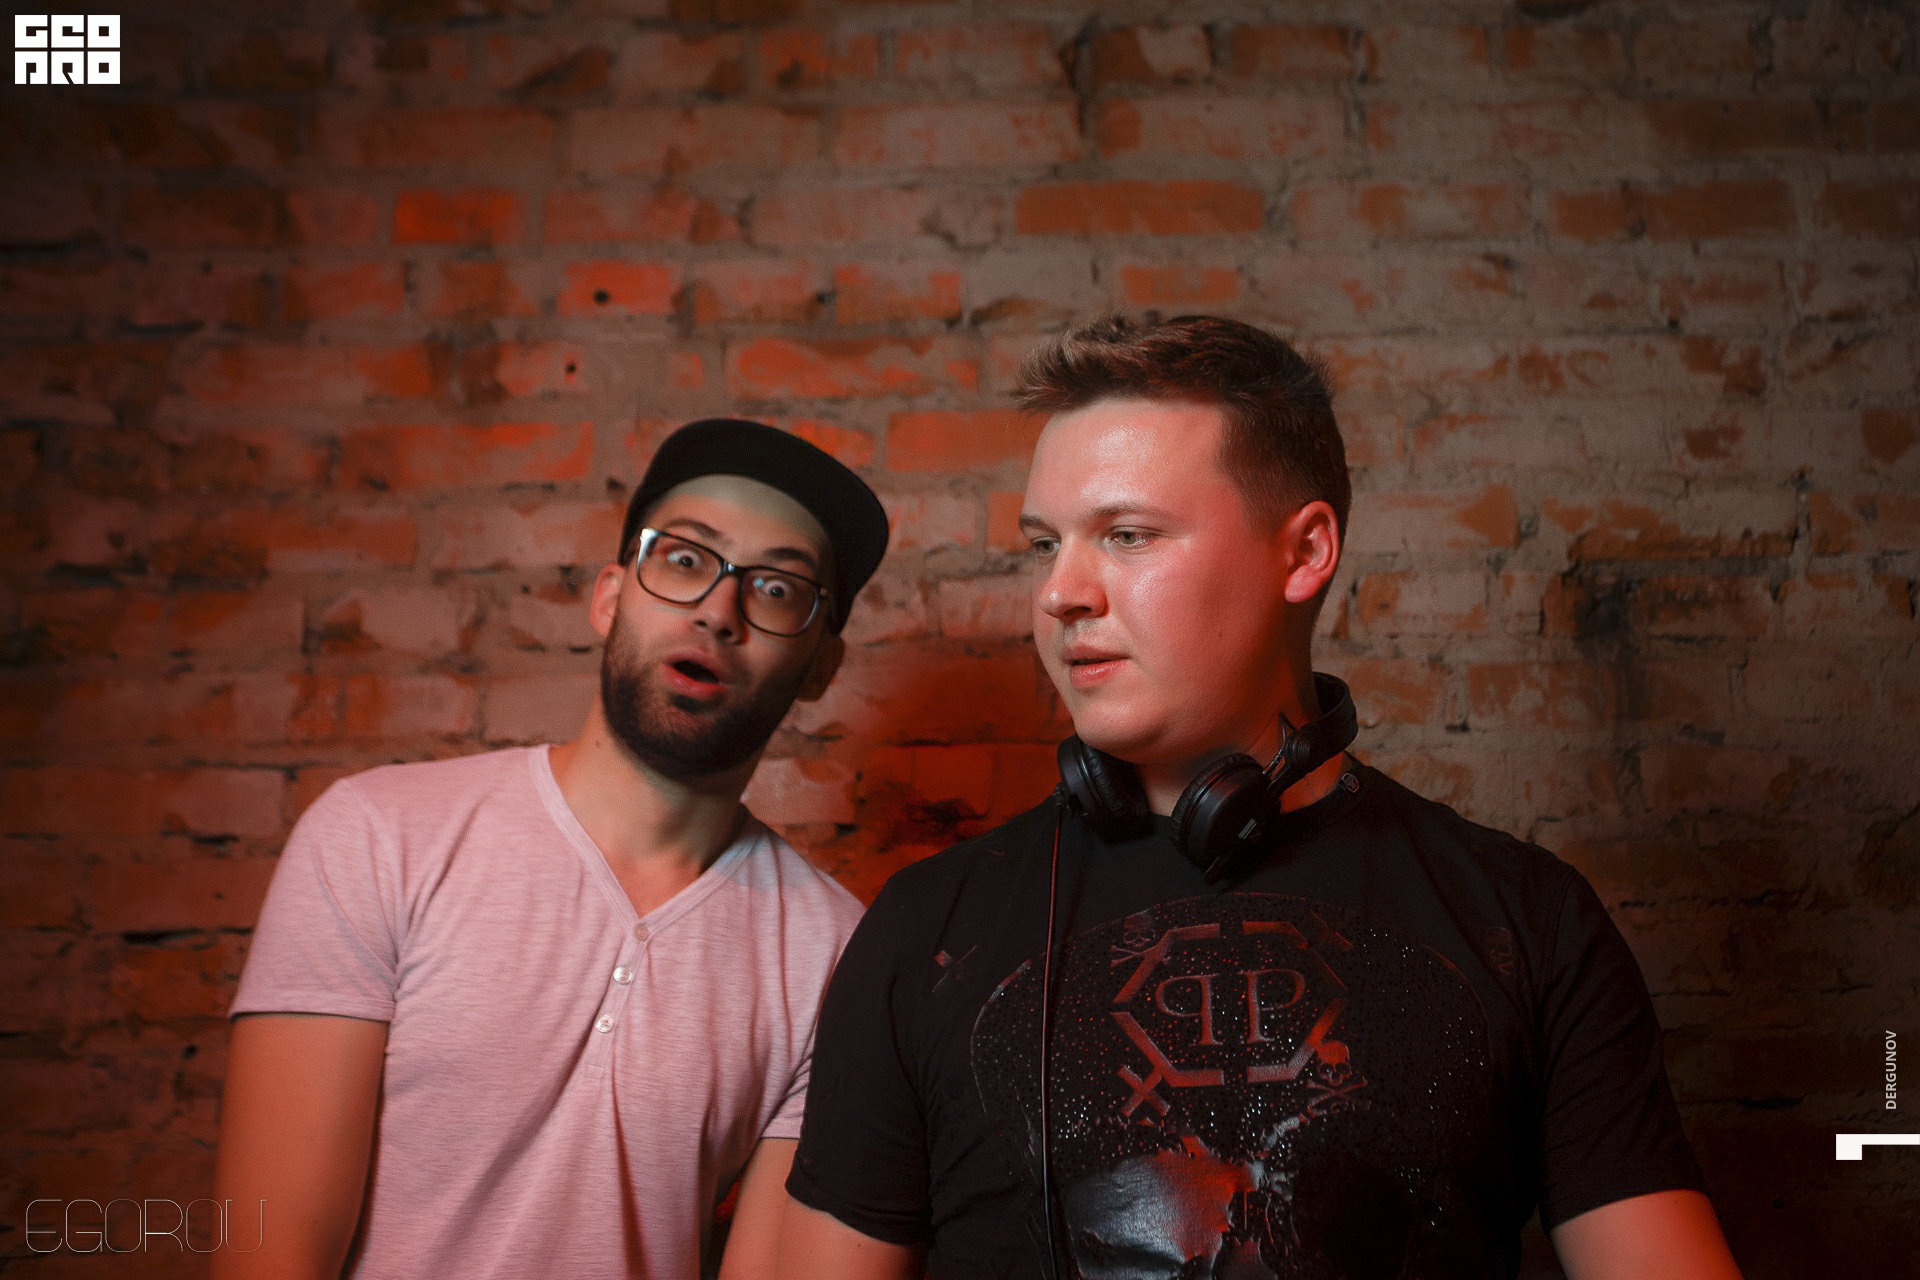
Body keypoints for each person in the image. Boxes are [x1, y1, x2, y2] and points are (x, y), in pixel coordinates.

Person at [778, 317, 1744, 1280]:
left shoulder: (1528, 919)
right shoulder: (923, 935)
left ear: (1305, 552)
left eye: (1126, 535)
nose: (1060, 593)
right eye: (1043, 544)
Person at [213, 419, 886, 1280]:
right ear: (610, 597)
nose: (719, 612)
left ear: (822, 666)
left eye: (778, 589)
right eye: (685, 560)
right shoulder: (377, 838)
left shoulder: (835, 953)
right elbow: (270, 1254)